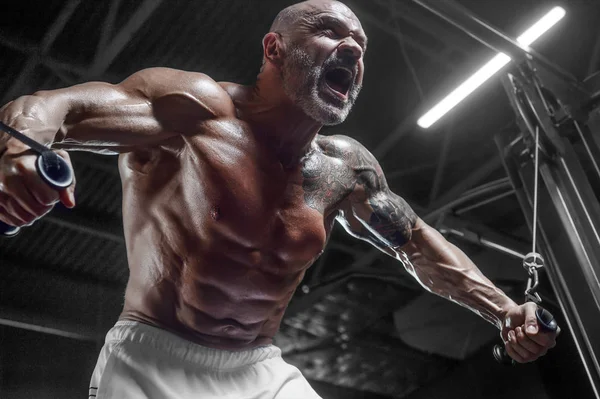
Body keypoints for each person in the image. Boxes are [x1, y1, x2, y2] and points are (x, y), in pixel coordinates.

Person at [0, 0, 558, 398]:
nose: (351, 50)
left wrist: (506, 310)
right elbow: (57, 107)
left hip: (259, 372)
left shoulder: (345, 169)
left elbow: (415, 244)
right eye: (330, 32)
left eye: (360, 47)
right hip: (153, 361)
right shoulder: (196, 111)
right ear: (275, 48)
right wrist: (24, 151)